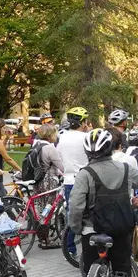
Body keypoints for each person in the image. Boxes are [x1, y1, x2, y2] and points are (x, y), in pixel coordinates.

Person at [68, 128, 138, 277]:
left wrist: (76, 228)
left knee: (90, 272)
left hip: (93, 232)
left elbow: (75, 206)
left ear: (87, 153)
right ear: (111, 149)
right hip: (121, 230)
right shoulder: (125, 168)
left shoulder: (85, 173)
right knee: (123, 276)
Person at [57, 107, 92, 260]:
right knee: (90, 214)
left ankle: (70, 248)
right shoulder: (86, 137)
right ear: (83, 122)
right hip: (86, 179)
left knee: (73, 215)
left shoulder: (61, 137)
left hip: (69, 180)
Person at [32, 124, 65, 248]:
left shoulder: (36, 145)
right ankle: (46, 241)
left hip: (38, 180)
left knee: (41, 209)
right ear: (50, 135)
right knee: (49, 208)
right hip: (49, 181)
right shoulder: (50, 148)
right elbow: (62, 167)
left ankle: (42, 238)